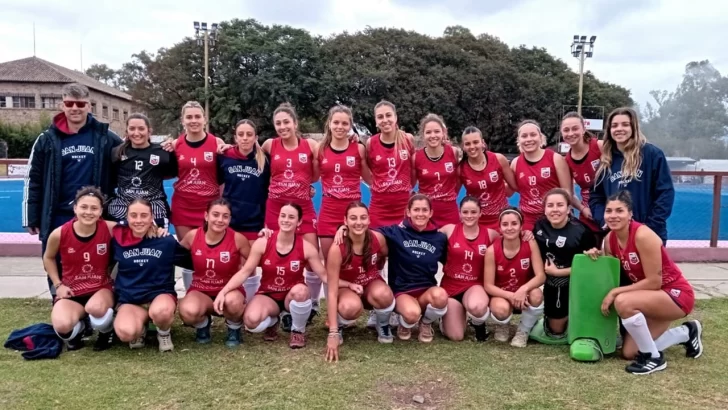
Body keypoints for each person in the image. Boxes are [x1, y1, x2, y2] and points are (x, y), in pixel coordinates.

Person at [585, 191, 702, 375]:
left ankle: (654, 359)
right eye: (609, 211)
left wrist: (615, 292)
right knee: (630, 352)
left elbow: (655, 282)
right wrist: (596, 256)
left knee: (623, 301)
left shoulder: (643, 235)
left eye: (619, 210)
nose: (613, 216)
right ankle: (686, 332)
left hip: (675, 295)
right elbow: (610, 272)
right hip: (650, 298)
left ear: (630, 214)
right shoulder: (609, 240)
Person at [23, 83, 122, 297]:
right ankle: (61, 302)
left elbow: (131, 154)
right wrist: (32, 217)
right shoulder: (47, 139)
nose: (75, 108)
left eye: (80, 103)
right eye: (69, 103)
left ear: (89, 106)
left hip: (94, 215)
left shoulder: (105, 136)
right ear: (62, 105)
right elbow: (33, 179)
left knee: (98, 263)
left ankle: (96, 310)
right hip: (58, 214)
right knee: (58, 262)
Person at [213, 203, 327, 349]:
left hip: (291, 295)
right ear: (278, 218)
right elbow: (245, 271)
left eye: (291, 217)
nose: (286, 220)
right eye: (283, 216)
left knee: (301, 292)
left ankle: (298, 330)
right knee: (251, 322)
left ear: (298, 222)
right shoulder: (263, 243)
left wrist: (348, 285)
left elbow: (324, 276)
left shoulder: (306, 247)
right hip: (269, 295)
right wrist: (223, 292)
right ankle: (273, 321)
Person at [337, 194, 448, 342]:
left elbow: (450, 262)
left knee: (441, 296)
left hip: (427, 289)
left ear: (431, 213)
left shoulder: (439, 238)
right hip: (403, 290)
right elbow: (365, 231)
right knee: (411, 313)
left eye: (424, 210)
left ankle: (426, 323)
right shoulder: (396, 233)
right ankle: (404, 322)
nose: (420, 214)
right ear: (408, 212)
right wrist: (344, 228)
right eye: (416, 210)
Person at [261, 103, 322, 322]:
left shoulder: (310, 145)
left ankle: (312, 304)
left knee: (312, 256)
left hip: (303, 207)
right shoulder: (269, 145)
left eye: (286, 122)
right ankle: (273, 299)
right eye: (278, 123)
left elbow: (331, 151)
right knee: (274, 254)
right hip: (276, 208)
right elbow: (244, 152)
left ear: (295, 123)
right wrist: (221, 146)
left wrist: (353, 139)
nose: (282, 126)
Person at [112, 199, 193, 352]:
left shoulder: (165, 240)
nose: (138, 220)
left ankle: (163, 333)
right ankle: (140, 328)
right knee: (125, 333)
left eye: (144, 215)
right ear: (127, 217)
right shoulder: (117, 240)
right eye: (133, 215)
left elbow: (193, 262)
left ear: (151, 217)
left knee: (161, 312)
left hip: (159, 295)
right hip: (131, 299)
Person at [43, 187, 116, 351]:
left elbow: (137, 229)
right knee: (62, 327)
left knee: (96, 309)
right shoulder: (60, 233)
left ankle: (107, 330)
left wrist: (156, 229)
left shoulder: (110, 228)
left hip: (100, 288)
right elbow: (48, 257)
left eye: (94, 208)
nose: (88, 212)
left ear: (101, 211)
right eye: (84, 207)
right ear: (75, 208)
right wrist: (58, 285)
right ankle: (82, 326)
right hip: (72, 291)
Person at [589, 107, 675, 244]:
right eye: (614, 125)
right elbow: (596, 196)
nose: (619, 129)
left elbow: (665, 193)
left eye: (625, 124)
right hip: (617, 234)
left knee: (652, 266)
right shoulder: (606, 160)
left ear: (633, 127)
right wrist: (603, 219)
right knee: (618, 266)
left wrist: (650, 226)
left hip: (649, 233)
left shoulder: (652, 154)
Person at [325, 202, 395, 361]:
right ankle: (340, 326)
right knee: (350, 307)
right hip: (347, 288)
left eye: (363, 217)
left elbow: (386, 255)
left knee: (384, 294)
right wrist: (333, 332)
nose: (358, 222)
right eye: (353, 218)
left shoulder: (378, 239)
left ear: (369, 220)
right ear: (345, 221)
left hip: (371, 282)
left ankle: (382, 324)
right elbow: (332, 289)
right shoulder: (337, 248)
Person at [169, 101, 227, 291]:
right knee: (189, 253)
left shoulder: (216, 143)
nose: (193, 120)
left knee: (209, 252)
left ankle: (211, 292)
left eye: (197, 116)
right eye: (189, 117)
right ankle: (191, 294)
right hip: (183, 207)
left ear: (204, 119)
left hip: (208, 208)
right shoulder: (175, 144)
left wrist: (220, 204)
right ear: (182, 120)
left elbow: (223, 177)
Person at [178, 199, 251, 347]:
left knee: (233, 303)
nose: (220, 220)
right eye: (215, 214)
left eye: (225, 216)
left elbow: (255, 261)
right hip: (200, 290)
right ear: (206, 216)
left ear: (230, 219)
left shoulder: (237, 239)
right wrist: (158, 235)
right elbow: (171, 254)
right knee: (187, 311)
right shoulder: (192, 236)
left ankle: (234, 328)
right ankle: (203, 324)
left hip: (229, 291)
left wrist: (268, 238)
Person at [217, 119, 271, 300]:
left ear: (256, 137)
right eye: (241, 134)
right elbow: (218, 185)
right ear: (235, 137)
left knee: (252, 266)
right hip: (232, 222)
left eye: (249, 135)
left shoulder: (264, 159)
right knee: (235, 265)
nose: (245, 138)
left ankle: (251, 304)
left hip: (255, 221)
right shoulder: (225, 157)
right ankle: (238, 304)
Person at [533, 188, 596, 340]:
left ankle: (579, 314)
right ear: (545, 209)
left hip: (575, 280)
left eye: (560, 205)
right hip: (551, 282)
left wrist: (559, 272)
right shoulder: (539, 227)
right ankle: (553, 318)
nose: (555, 209)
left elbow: (590, 267)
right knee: (556, 331)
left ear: (568, 209)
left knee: (569, 328)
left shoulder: (582, 232)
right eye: (550, 205)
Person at [439, 197, 499, 342]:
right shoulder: (449, 230)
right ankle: (447, 318)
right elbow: (428, 237)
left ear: (480, 213)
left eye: (473, 212)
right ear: (459, 213)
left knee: (477, 307)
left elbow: (510, 242)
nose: (469, 215)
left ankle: (478, 323)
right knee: (456, 336)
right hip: (451, 288)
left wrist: (525, 234)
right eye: (465, 212)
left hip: (474, 286)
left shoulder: (490, 234)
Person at [317, 105, 371, 266]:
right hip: (328, 213)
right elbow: (310, 176)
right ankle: (332, 292)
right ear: (329, 124)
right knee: (330, 263)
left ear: (350, 126)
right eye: (336, 123)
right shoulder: (319, 149)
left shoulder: (359, 149)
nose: (340, 127)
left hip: (353, 214)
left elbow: (370, 180)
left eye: (344, 124)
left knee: (355, 262)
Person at [484, 207, 545, 347]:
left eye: (514, 223)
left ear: (521, 226)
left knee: (537, 295)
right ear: (499, 227)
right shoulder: (492, 251)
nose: (510, 228)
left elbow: (541, 276)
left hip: (524, 293)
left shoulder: (530, 243)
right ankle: (503, 324)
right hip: (503, 293)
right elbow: (488, 285)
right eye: (505, 224)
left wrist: (523, 289)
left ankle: (523, 331)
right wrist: (511, 295)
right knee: (501, 309)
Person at [108, 113, 177, 227]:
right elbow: (112, 178)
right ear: (127, 131)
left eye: (141, 129)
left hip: (155, 209)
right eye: (132, 129)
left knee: (155, 243)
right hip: (123, 208)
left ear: (149, 131)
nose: (136, 133)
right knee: (122, 243)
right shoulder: (116, 153)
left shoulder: (163, 152)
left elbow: (172, 173)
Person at [511, 120, 573, 231]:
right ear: (519, 140)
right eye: (524, 136)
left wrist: (565, 215)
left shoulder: (555, 158)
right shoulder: (515, 163)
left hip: (553, 217)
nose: (529, 139)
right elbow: (509, 190)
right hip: (528, 220)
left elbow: (567, 193)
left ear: (540, 137)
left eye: (533, 135)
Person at [366, 100, 416, 229]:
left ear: (395, 117)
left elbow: (414, 170)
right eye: (380, 117)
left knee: (402, 247)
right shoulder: (371, 143)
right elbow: (370, 171)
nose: (385, 120)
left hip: (403, 206)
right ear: (376, 121)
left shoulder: (407, 139)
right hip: (379, 207)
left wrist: (406, 187)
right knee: (378, 247)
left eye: (388, 115)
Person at [459, 126, 518, 230]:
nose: (472, 147)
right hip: (477, 222)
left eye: (475, 142)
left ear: (482, 143)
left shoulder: (498, 159)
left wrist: (502, 195)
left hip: (501, 219)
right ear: (463, 147)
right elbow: (452, 193)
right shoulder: (461, 168)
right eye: (467, 144)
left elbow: (515, 186)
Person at [414, 114, 461, 227]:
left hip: (450, 212)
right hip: (426, 213)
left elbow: (459, 180)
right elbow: (410, 183)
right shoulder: (416, 157)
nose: (433, 135)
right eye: (428, 132)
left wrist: (449, 196)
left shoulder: (454, 152)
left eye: (436, 131)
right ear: (423, 135)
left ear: (443, 133)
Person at [561, 112, 603, 235]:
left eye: (575, 128)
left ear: (583, 129)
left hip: (610, 210)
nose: (570, 133)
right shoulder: (566, 161)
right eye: (566, 130)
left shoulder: (600, 146)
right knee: (589, 252)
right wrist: (582, 209)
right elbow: (569, 194)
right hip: (588, 215)